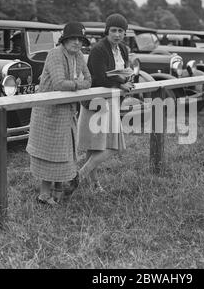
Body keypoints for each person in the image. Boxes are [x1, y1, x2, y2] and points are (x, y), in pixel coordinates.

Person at [26, 22, 92, 205]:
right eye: (73, 38)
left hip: (67, 111)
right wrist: (78, 84)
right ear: (64, 40)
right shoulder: (55, 54)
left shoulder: (78, 56)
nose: (77, 43)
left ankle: (57, 194)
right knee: (49, 154)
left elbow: (89, 79)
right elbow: (59, 84)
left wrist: (78, 84)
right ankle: (44, 196)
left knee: (64, 153)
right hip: (48, 112)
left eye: (80, 40)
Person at [77, 13, 134, 190]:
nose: (117, 34)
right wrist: (121, 84)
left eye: (121, 31)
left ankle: (93, 185)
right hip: (96, 102)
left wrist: (128, 81)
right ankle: (79, 177)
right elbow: (99, 78)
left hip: (113, 101)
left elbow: (125, 71)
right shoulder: (98, 49)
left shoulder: (123, 49)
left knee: (96, 147)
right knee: (110, 146)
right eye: (114, 30)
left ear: (125, 33)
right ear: (107, 31)